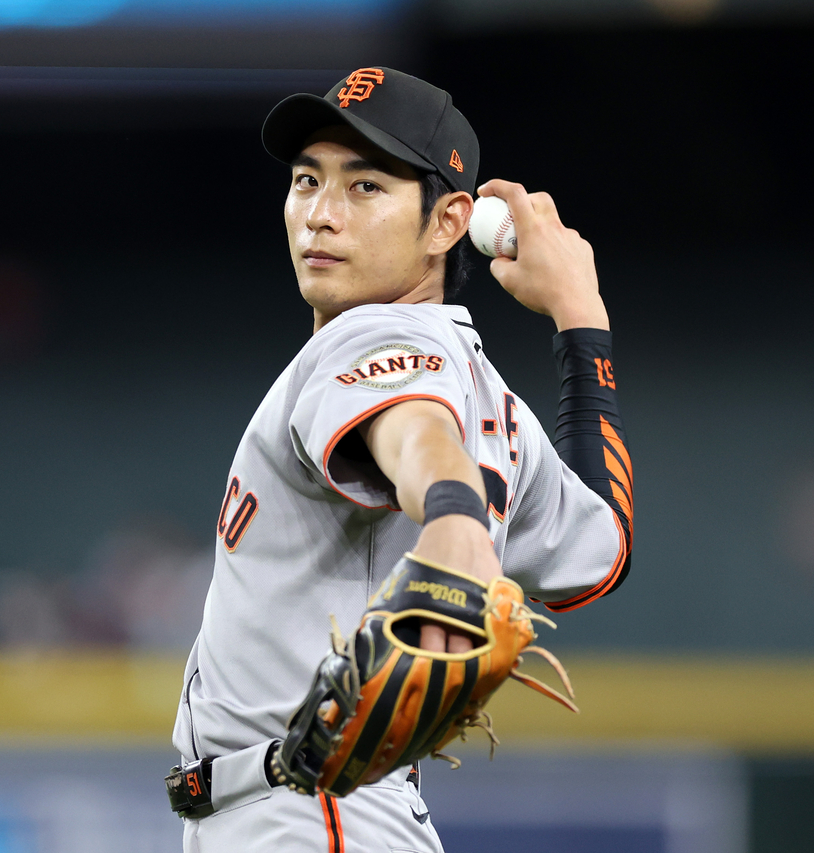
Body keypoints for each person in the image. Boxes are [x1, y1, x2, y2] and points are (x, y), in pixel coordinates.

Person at [168, 67, 633, 853]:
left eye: (365, 187)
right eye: (307, 180)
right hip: (345, 819)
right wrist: (579, 318)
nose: (320, 214)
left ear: (450, 220)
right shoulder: (496, 404)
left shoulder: (373, 334)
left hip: (303, 819)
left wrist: (455, 518)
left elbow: (413, 432)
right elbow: (604, 546)